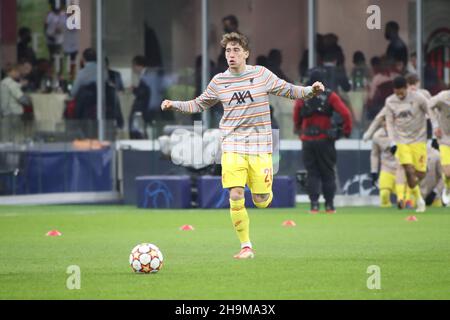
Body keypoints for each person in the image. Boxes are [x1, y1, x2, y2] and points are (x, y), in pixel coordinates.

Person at [161, 32, 325, 259]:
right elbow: (199, 104)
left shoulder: (261, 75)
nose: (231, 54)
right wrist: (175, 105)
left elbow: (289, 90)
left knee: (261, 201)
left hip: (260, 146)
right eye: (228, 50)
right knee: (236, 193)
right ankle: (246, 246)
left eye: (236, 50)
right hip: (232, 145)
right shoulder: (219, 81)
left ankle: (261, 189)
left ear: (246, 53)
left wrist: (310, 91)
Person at [293, 70, 352, 213]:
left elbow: (296, 116)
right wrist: (346, 131)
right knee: (328, 173)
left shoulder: (303, 96)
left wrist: (299, 130)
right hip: (325, 140)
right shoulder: (330, 96)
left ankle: (314, 205)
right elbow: (345, 113)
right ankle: (330, 206)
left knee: (312, 173)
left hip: (308, 140)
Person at [385, 76, 438, 212]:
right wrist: (392, 142)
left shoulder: (418, 98)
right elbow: (390, 123)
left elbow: (430, 111)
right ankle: (414, 199)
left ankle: (415, 195)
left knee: (419, 174)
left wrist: (435, 129)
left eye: (401, 92)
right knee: (408, 169)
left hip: (419, 140)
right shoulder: (390, 101)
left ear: (406, 88)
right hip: (401, 141)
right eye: (397, 92)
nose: (399, 95)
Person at [428, 90, 450, 205]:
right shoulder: (443, 97)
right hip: (445, 138)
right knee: (447, 173)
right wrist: (435, 125)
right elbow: (429, 105)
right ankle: (447, 187)